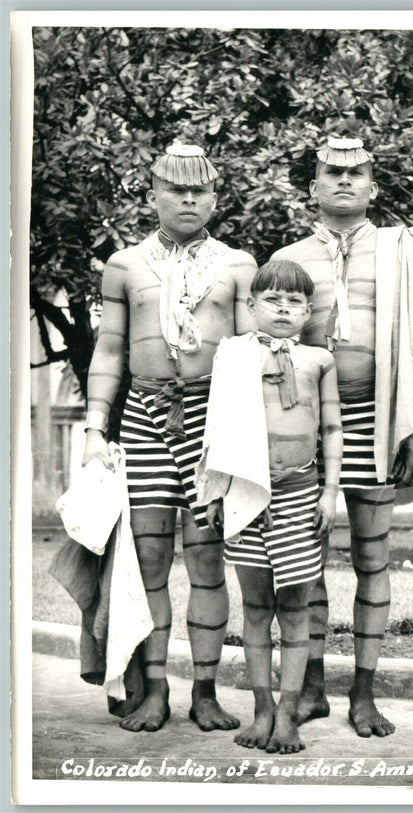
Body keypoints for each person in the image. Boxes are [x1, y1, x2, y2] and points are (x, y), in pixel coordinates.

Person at [271, 136, 413, 737]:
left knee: (372, 558)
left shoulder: (405, 252)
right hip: (303, 426)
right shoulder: (288, 258)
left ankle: (363, 694)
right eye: (331, 173)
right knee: (304, 562)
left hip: (380, 419)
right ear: (313, 187)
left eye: (355, 172)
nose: (343, 181)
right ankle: (310, 687)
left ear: (372, 186)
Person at [82, 141, 257, 732]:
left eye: (200, 190)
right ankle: (154, 690)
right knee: (149, 558)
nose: (188, 199)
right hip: (145, 417)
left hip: (214, 420)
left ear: (214, 198)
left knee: (208, 559)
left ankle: (204, 692)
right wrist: (93, 431)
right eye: (176, 190)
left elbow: (251, 355)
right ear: (153, 194)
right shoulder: (125, 265)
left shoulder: (237, 265)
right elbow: (109, 351)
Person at [195, 260, 343, 754]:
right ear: (252, 306)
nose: (283, 308)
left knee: (295, 609)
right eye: (273, 300)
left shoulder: (319, 360)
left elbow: (331, 431)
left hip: (301, 494)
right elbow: (215, 427)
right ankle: (261, 709)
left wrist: (330, 491)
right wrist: (214, 491)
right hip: (244, 493)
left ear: (308, 312)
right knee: (256, 607)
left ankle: (288, 714)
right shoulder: (234, 356)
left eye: (295, 301)